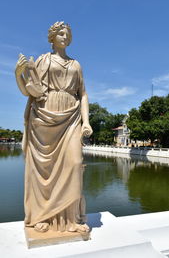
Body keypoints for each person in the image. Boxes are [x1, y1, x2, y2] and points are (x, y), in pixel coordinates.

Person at [15, 21, 93, 233]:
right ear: (52, 37)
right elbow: (31, 91)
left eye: (68, 34)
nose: (65, 37)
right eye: (61, 34)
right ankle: (43, 216)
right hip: (45, 116)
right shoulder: (43, 60)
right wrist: (18, 75)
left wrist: (86, 121)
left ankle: (73, 219)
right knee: (44, 171)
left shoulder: (76, 64)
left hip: (71, 117)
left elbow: (83, 94)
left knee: (75, 164)